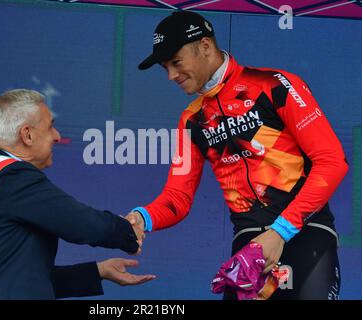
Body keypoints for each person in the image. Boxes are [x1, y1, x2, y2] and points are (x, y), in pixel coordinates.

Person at [127, 10, 348, 300]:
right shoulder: (191, 120)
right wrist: (143, 218)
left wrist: (280, 231)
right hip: (248, 244)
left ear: (205, 46)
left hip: (304, 231)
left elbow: (332, 161)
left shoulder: (275, 85)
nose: (171, 76)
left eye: (176, 62)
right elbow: (176, 198)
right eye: (165, 67)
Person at [0, 89, 155, 300]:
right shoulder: (11, 176)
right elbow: (80, 222)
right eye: (50, 126)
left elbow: (21, 280)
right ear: (27, 135)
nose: (57, 136)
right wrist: (127, 233)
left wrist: (98, 271)